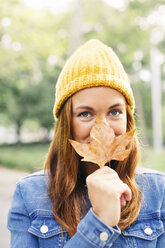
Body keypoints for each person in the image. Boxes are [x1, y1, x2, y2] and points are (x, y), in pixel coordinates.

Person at [7, 39, 165, 248]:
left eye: (115, 111)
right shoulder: (29, 194)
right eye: (85, 114)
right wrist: (99, 223)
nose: (102, 127)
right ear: (66, 124)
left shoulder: (159, 191)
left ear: (128, 118)